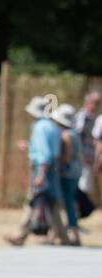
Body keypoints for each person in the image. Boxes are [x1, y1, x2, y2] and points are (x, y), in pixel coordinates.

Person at [6, 96, 66, 246]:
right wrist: (30, 147)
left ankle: (20, 234)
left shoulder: (39, 127)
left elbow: (44, 153)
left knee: (32, 201)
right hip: (52, 169)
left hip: (43, 169)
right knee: (53, 204)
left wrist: (40, 174)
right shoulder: (52, 126)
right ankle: (63, 237)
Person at [53, 103, 82, 246]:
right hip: (76, 172)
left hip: (68, 173)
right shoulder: (75, 133)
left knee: (67, 203)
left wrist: (59, 162)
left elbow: (67, 157)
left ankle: (74, 235)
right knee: (70, 203)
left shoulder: (66, 135)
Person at [75, 90, 100, 204]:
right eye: (94, 102)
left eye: (97, 103)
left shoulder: (93, 117)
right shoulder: (82, 117)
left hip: (89, 157)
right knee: (82, 186)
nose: (95, 105)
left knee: (85, 186)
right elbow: (78, 137)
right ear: (87, 102)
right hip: (82, 157)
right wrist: (80, 154)